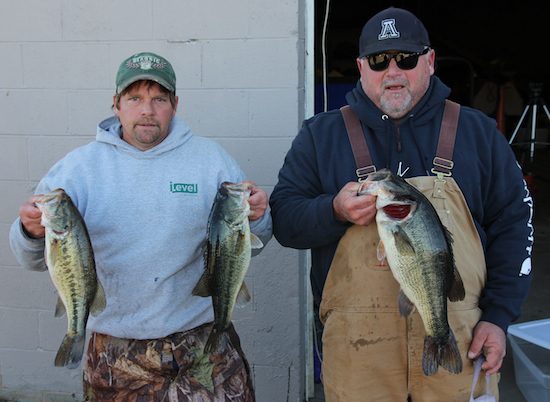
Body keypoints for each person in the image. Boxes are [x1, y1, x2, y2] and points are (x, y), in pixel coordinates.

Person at [270, 7, 533, 402]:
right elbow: (285, 221)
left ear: (429, 62)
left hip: (461, 343)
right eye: (378, 60)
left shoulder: (478, 133)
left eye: (405, 58)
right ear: (360, 67)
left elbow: (515, 224)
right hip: (359, 357)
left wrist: (498, 317)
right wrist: (333, 211)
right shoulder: (319, 136)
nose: (392, 71)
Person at [9, 51, 271, 401]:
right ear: (116, 104)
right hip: (115, 353)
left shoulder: (213, 162)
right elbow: (30, 257)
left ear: (175, 104)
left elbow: (255, 241)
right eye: (135, 98)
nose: (147, 110)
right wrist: (30, 231)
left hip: (204, 346)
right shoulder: (77, 170)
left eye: (158, 99)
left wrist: (259, 216)